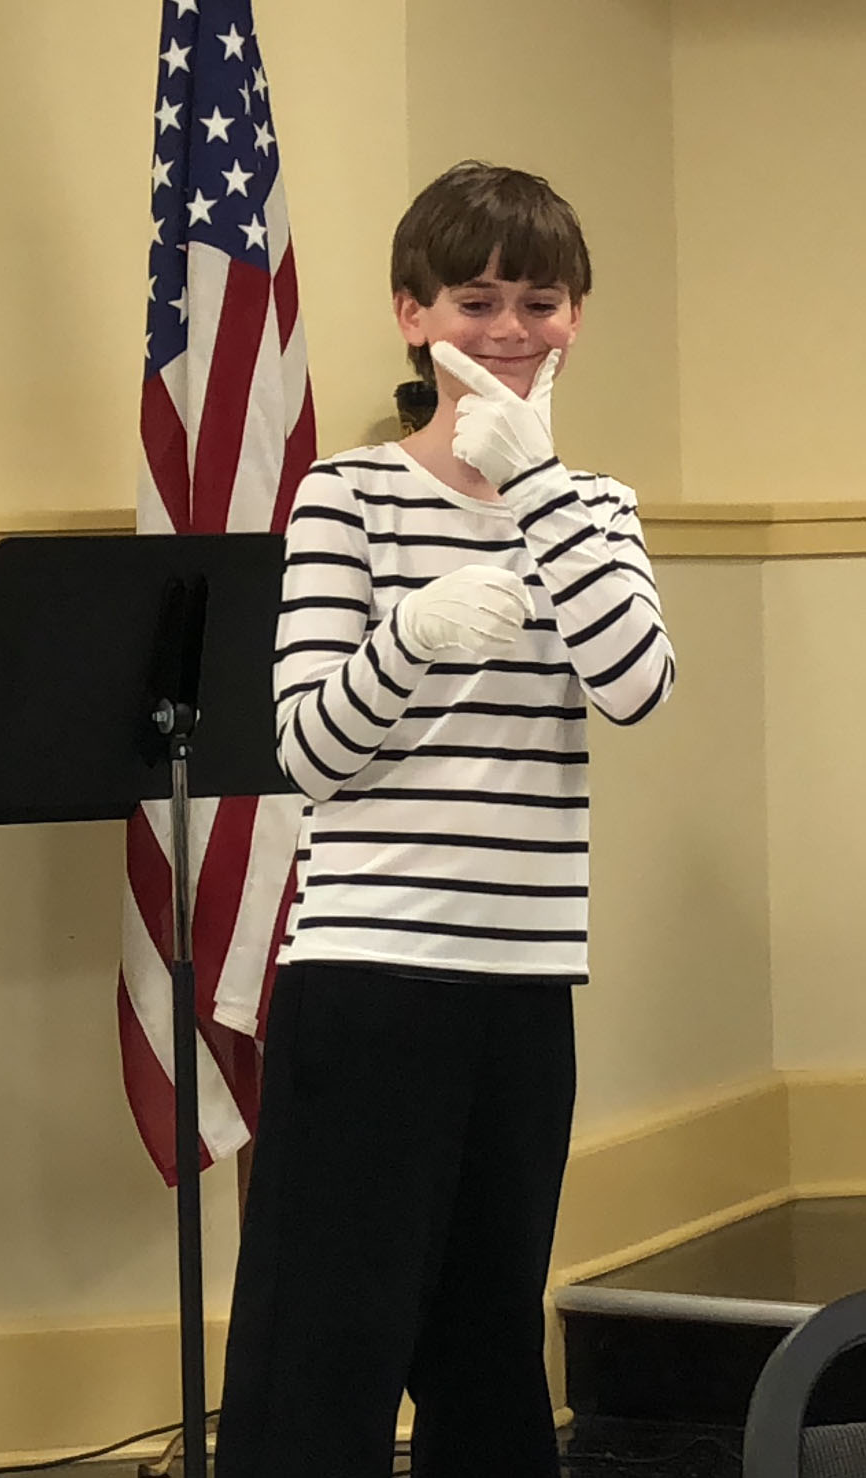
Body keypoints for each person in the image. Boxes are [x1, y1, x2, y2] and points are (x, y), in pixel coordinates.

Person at [214, 160, 675, 1478]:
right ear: (413, 315)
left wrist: (535, 488)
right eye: (476, 301)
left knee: (488, 1350)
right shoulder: (345, 495)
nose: (511, 329)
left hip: (523, 986)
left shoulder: (594, 509)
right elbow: (310, 751)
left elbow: (635, 686)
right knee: (325, 1352)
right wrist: (408, 636)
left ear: (576, 315)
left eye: (539, 300)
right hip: (368, 978)